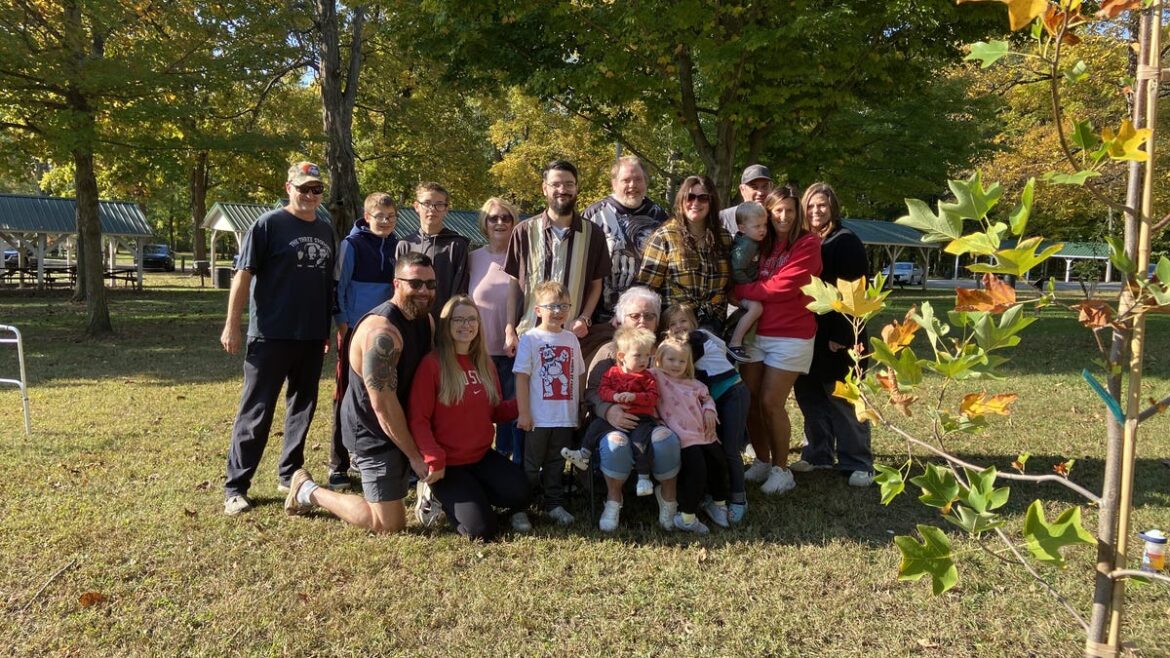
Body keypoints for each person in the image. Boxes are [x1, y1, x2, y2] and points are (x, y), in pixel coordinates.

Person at [283, 252, 439, 533]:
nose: (424, 292)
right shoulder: (382, 333)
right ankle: (307, 490)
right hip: (373, 431)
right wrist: (415, 456)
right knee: (387, 524)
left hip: (404, 422)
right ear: (396, 283)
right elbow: (383, 407)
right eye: (415, 284)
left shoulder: (425, 321)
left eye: (430, 284)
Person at [220, 161, 335, 516]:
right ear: (289, 188)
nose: (310, 195)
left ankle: (289, 474)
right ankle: (236, 486)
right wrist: (232, 324)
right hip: (270, 334)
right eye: (303, 189)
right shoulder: (268, 225)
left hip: (311, 336)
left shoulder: (326, 229)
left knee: (302, 408)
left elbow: (327, 284)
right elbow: (243, 275)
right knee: (256, 411)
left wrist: (326, 328)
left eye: (316, 190)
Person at [407, 296, 530, 540]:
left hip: (480, 456)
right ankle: (433, 492)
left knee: (522, 493)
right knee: (480, 531)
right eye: (459, 319)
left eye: (471, 319)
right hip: (448, 464)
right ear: (446, 324)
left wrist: (526, 405)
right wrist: (435, 458)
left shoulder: (485, 364)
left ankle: (473, 494)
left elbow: (494, 411)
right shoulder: (432, 365)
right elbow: (418, 419)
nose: (466, 325)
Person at [734, 185, 822, 496]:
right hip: (757, 333)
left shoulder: (808, 244)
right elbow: (739, 273)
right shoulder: (761, 243)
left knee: (771, 403)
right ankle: (761, 459)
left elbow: (782, 287)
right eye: (777, 211)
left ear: (798, 213)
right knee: (750, 403)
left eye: (789, 210)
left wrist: (742, 293)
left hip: (791, 335)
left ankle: (782, 469)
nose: (783, 216)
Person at [791, 182, 875, 487]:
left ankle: (858, 461)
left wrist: (844, 335)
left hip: (839, 335)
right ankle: (818, 454)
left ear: (833, 208)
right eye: (811, 206)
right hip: (807, 334)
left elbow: (854, 292)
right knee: (810, 396)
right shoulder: (803, 240)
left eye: (822, 205)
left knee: (843, 400)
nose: (816, 211)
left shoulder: (845, 241)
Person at [582, 286, 681, 533]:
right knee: (616, 444)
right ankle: (614, 500)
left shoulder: (670, 351)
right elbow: (591, 391)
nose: (642, 321)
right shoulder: (609, 351)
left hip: (657, 421)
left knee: (666, 441)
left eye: (649, 316)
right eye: (635, 316)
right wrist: (608, 411)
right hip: (617, 421)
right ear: (620, 320)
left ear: (658, 321)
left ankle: (668, 500)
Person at [327, 192, 399, 491]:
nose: (385, 221)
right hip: (355, 331)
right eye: (379, 216)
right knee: (346, 395)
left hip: (387, 334)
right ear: (367, 217)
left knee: (384, 394)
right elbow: (337, 286)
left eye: (390, 217)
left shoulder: (399, 246)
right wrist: (343, 323)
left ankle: (378, 456)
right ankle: (338, 464)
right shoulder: (352, 245)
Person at [504, 160, 610, 357]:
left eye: (569, 184)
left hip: (572, 338)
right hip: (528, 337)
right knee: (524, 389)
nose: (563, 190)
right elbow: (513, 284)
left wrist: (585, 318)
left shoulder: (593, 234)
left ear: (576, 188)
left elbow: (597, 284)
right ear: (545, 188)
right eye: (556, 184)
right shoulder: (524, 231)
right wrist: (509, 329)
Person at [662, 303, 750, 523]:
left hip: (733, 393)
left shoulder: (695, 339)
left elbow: (677, 358)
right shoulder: (703, 337)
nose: (679, 327)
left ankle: (739, 499)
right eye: (672, 324)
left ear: (693, 323)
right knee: (716, 445)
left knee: (730, 448)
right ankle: (715, 495)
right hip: (714, 397)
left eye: (683, 321)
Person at [513, 281, 586, 527]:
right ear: (538, 310)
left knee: (557, 463)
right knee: (531, 465)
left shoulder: (571, 339)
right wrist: (523, 412)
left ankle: (554, 503)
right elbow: (521, 377)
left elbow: (577, 375)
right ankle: (520, 506)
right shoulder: (530, 339)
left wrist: (578, 409)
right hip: (537, 418)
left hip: (564, 417)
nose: (559, 311)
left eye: (564, 305)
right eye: (552, 306)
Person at [582, 156, 670, 327]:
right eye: (626, 180)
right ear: (614, 184)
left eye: (638, 179)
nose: (632, 185)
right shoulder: (594, 215)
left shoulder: (660, 217)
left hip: (646, 318)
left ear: (646, 182)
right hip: (602, 318)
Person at [652, 337, 727, 534]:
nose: (676, 365)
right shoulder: (656, 376)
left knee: (719, 463)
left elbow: (707, 398)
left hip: (704, 432)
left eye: (682, 361)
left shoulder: (694, 384)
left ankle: (718, 503)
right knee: (697, 471)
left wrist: (710, 410)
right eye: (671, 359)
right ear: (659, 359)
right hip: (682, 436)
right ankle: (686, 517)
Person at [636, 175, 731, 332]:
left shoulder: (724, 238)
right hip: (677, 325)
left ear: (711, 202)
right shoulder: (664, 236)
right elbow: (646, 288)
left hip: (714, 323)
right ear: (681, 201)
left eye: (703, 198)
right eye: (690, 197)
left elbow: (730, 287)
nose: (695, 203)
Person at [469, 197, 524, 464]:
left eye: (506, 217)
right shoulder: (472, 259)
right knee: (481, 409)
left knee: (511, 412)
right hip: (479, 351)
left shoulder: (525, 258)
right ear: (484, 224)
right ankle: (480, 460)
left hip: (514, 349)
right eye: (493, 218)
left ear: (515, 223)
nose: (500, 222)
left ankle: (510, 463)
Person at [594, 326, 660, 497]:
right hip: (613, 418)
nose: (644, 360)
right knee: (595, 428)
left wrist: (634, 397)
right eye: (638, 356)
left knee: (640, 443)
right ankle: (583, 454)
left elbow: (652, 397)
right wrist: (613, 400)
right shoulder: (611, 371)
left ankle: (643, 477)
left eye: (647, 356)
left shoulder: (647, 376)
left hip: (641, 418)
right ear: (621, 356)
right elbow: (599, 390)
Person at [395, 182, 470, 319]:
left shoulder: (456, 245)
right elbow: (397, 287)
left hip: (444, 320)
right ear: (417, 206)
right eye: (427, 203)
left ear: (446, 209)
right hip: (410, 319)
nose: (432, 209)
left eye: (439, 204)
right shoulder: (404, 245)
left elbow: (460, 289)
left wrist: (450, 319)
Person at [726, 201, 768, 361]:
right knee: (756, 308)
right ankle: (735, 343)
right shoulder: (748, 245)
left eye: (764, 225)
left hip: (743, 286)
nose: (763, 229)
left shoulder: (749, 239)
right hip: (741, 286)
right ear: (742, 228)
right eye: (757, 226)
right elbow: (736, 269)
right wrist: (750, 286)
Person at [719, 164, 775, 237]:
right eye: (754, 187)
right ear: (742, 190)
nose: (760, 192)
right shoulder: (724, 218)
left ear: (771, 188)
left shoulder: (776, 219)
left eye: (765, 186)